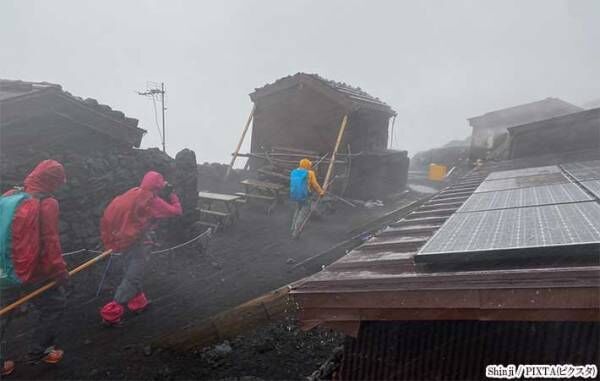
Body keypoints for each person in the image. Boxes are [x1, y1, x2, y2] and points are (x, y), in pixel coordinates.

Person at [0, 160, 69, 376]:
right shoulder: (48, 202)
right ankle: (41, 350)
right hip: (35, 271)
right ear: (53, 182)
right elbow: (50, 242)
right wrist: (59, 272)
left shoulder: (10, 195)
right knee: (54, 305)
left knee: (4, 312)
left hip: (6, 267)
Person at [99, 171, 182, 326]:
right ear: (158, 186)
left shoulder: (133, 192)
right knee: (132, 277)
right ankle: (111, 313)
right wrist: (173, 195)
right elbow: (176, 211)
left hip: (121, 242)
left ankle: (139, 303)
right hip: (136, 243)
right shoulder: (151, 200)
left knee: (132, 272)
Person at [289, 158, 325, 239]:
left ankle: (292, 227)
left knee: (298, 210)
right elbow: (315, 185)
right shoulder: (310, 173)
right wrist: (321, 192)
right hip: (305, 196)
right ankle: (296, 232)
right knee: (303, 213)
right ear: (307, 165)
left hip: (295, 195)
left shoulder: (294, 171)